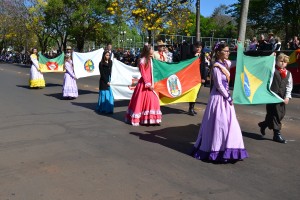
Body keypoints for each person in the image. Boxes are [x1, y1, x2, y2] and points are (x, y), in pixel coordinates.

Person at [191, 42, 248, 162]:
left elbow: (237, 63)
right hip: (218, 99)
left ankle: (230, 148)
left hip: (225, 98)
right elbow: (219, 85)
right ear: (218, 53)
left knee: (230, 124)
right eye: (226, 51)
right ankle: (216, 150)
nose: (228, 53)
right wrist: (228, 97)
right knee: (218, 124)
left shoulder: (225, 63)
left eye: (228, 51)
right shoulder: (216, 67)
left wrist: (243, 53)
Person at [258, 53, 293, 144]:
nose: (282, 63)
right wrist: (270, 57)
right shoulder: (272, 70)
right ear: (277, 61)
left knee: (280, 114)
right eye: (281, 61)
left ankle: (264, 124)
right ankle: (277, 134)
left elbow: (289, 86)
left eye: (285, 62)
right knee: (275, 114)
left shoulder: (288, 73)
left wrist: (287, 97)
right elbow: (264, 66)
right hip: (272, 96)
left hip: (281, 98)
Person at [125, 43, 162, 126]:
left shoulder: (152, 59)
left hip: (152, 82)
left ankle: (153, 118)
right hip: (145, 84)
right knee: (144, 101)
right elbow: (144, 74)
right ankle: (144, 118)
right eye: (151, 49)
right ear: (148, 50)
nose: (153, 50)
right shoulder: (143, 60)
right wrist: (148, 84)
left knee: (154, 101)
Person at [188, 41, 206, 116]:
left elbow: (203, 67)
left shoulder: (202, 55)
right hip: (192, 77)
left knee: (196, 93)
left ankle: (192, 107)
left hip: (199, 76)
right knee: (192, 92)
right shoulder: (191, 55)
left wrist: (203, 77)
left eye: (200, 47)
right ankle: (190, 108)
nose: (198, 48)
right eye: (197, 47)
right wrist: (195, 57)